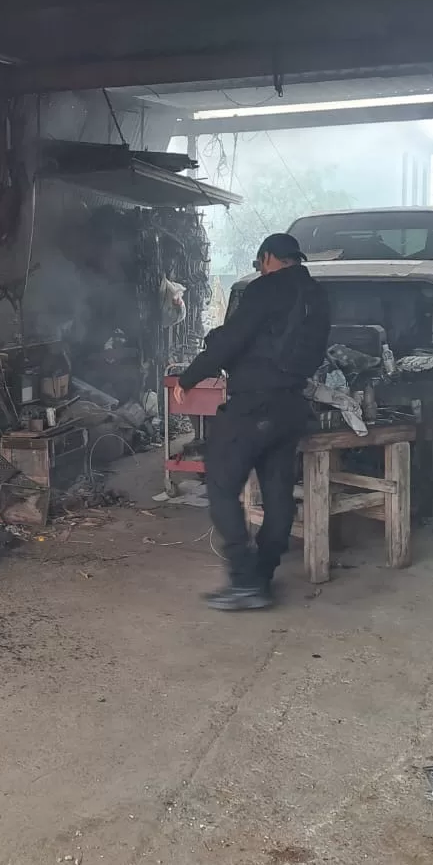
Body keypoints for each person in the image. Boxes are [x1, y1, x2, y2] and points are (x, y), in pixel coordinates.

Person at [176, 232, 329, 611]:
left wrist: (189, 376)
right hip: (291, 405)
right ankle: (263, 574)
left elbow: (232, 339)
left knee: (221, 482)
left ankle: (244, 581)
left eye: (260, 263)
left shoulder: (265, 290)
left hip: (254, 405)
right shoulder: (318, 296)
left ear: (267, 257)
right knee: (278, 491)